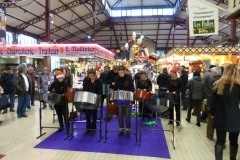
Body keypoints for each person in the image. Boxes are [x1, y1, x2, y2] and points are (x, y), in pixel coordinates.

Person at [210, 64, 240, 160]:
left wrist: (212, 113)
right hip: (235, 117)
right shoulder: (239, 86)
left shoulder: (218, 84)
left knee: (220, 141)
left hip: (220, 116)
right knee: (234, 141)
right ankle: (232, 158)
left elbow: (213, 102)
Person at [114, 65, 135, 137]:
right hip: (120, 98)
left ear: (125, 71)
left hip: (128, 97)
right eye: (119, 73)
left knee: (128, 114)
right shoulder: (117, 78)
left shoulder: (129, 78)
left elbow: (132, 88)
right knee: (120, 114)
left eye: (122, 72)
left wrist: (129, 94)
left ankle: (128, 129)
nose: (121, 74)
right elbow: (115, 88)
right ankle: (121, 128)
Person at [82, 69, 102, 135]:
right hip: (87, 99)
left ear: (95, 75)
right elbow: (84, 89)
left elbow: (100, 91)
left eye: (92, 76)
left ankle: (93, 128)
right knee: (87, 114)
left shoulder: (98, 81)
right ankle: (88, 128)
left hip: (94, 99)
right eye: (89, 76)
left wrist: (96, 95)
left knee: (94, 114)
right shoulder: (86, 80)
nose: (91, 77)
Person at [206, 67, 222, 140]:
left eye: (211, 72)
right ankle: (221, 138)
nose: (210, 74)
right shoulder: (223, 80)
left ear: (215, 73)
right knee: (220, 122)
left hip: (213, 104)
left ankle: (210, 135)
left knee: (211, 120)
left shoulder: (212, 81)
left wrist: (209, 105)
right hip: (221, 105)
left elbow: (210, 94)